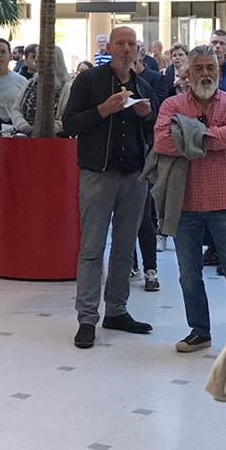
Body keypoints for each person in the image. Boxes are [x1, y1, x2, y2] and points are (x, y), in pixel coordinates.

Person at [154, 46, 226, 353]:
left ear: (219, 72)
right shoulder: (172, 104)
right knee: (188, 275)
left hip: (224, 201)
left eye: (211, 67)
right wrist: (213, 137)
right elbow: (161, 140)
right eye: (199, 68)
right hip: (184, 205)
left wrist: (191, 135)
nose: (206, 73)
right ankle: (200, 331)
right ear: (188, 73)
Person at [61, 25, 155, 348]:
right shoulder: (90, 81)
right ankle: (87, 318)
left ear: (138, 49)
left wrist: (146, 115)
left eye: (132, 44)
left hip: (134, 177)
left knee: (125, 248)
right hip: (98, 175)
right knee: (92, 248)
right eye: (120, 43)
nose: (126, 49)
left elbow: (153, 132)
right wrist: (104, 109)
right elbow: (69, 124)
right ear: (110, 47)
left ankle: (117, 309)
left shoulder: (144, 84)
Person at [10, 44, 71, 135]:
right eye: (37, 56)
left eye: (41, 56)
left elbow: (67, 118)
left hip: (54, 141)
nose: (37, 60)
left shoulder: (67, 88)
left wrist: (43, 129)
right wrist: (24, 127)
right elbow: (16, 109)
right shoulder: (30, 83)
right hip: (26, 138)